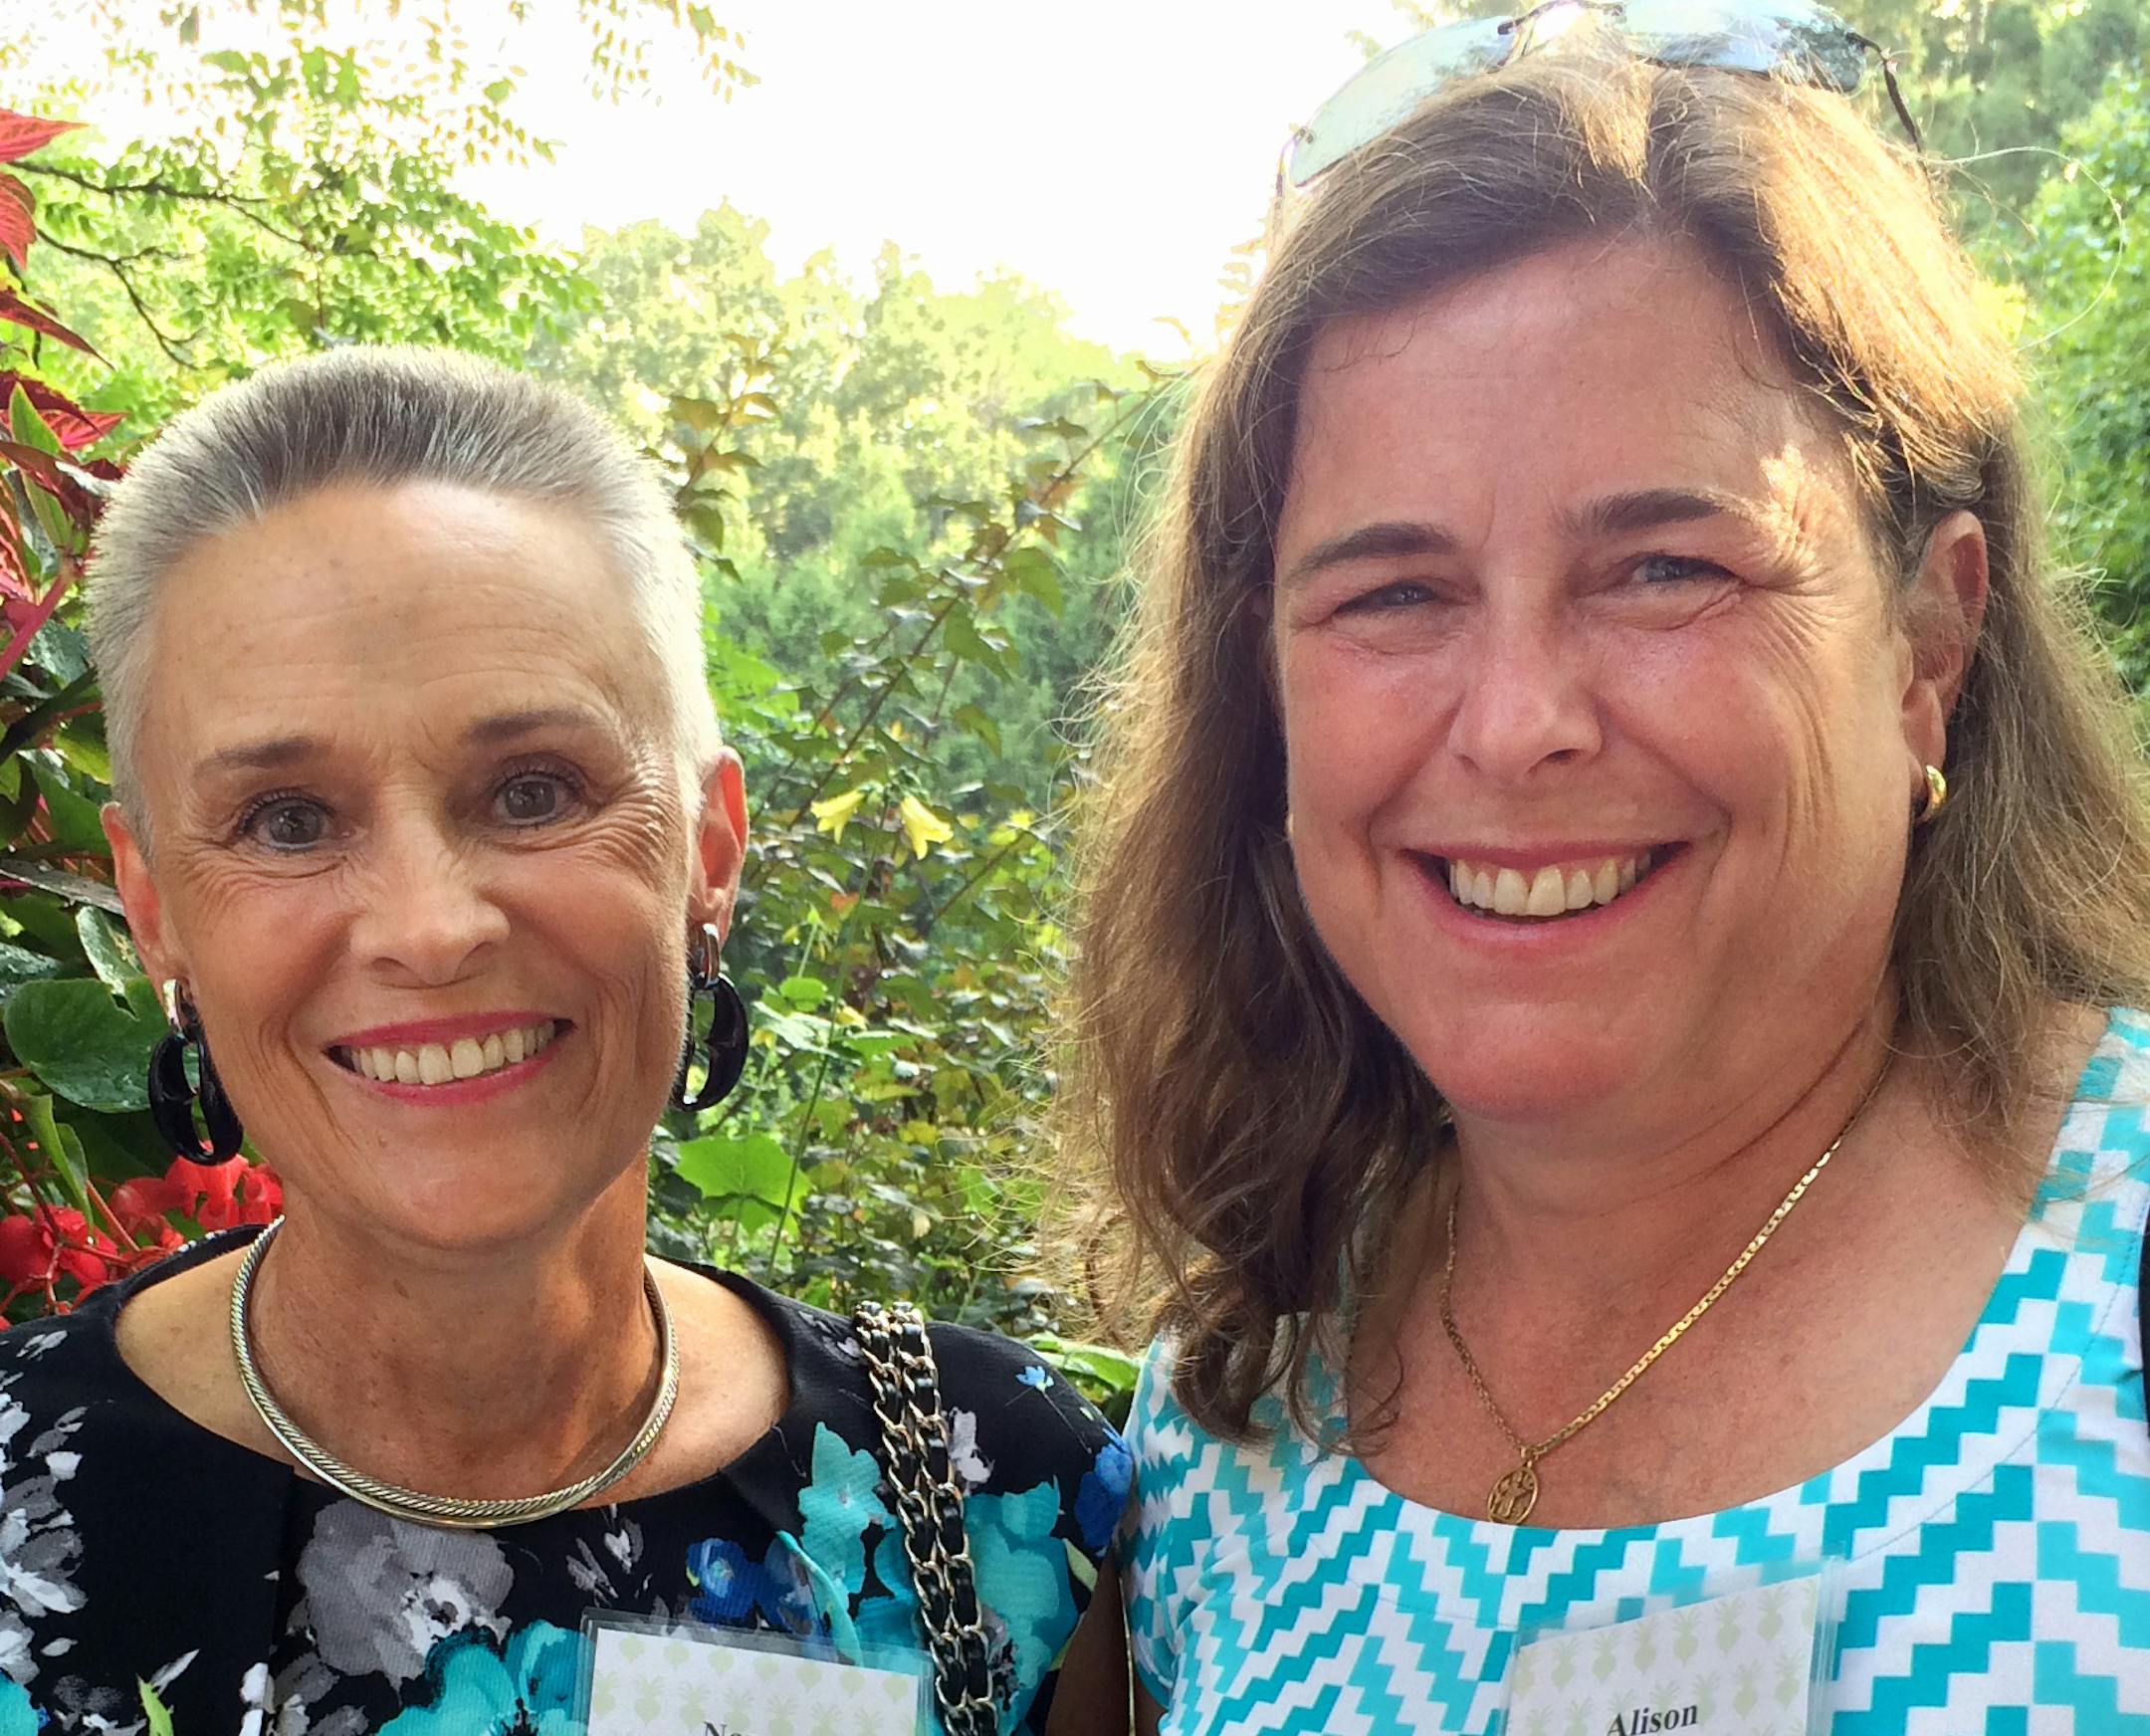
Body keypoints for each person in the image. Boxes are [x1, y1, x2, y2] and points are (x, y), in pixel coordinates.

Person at [1060, 10, 2150, 1731]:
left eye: (1660, 568)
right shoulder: (1224, 1430)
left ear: (1930, 645)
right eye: (1394, 594)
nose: (1516, 725)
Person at [0, 345, 1128, 1734]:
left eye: (532, 791)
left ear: (709, 852)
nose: (427, 927)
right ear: (155, 909)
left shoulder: (988, 1496)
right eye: (287, 821)